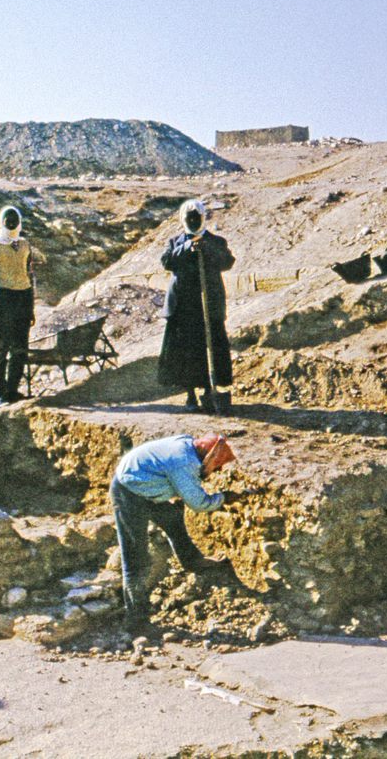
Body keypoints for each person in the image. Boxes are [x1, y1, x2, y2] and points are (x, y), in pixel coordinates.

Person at [109, 432, 244, 634]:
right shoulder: (183, 462)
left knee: (173, 520)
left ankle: (192, 561)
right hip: (128, 492)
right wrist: (224, 498)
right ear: (209, 457)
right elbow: (198, 503)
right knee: (135, 556)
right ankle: (136, 620)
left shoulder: (187, 444)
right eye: (218, 465)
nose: (219, 470)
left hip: (144, 483)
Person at [158, 199, 235, 413]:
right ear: (183, 220)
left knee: (211, 346)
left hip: (208, 304)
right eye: (189, 218)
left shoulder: (216, 241)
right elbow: (166, 262)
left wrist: (206, 247)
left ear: (203, 218)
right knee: (187, 351)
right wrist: (187, 247)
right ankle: (190, 394)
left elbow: (227, 262)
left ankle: (211, 390)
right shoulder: (175, 242)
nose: (193, 222)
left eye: (196, 218)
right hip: (184, 306)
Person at [0, 205, 36, 404]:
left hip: (23, 297)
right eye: (8, 219)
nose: (11, 223)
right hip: (4, 299)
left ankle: (12, 390)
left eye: (14, 219)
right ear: (1, 221)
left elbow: (30, 275)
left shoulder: (25, 244)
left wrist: (31, 306)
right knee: (1, 349)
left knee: (20, 349)